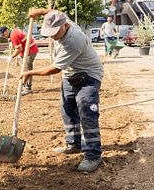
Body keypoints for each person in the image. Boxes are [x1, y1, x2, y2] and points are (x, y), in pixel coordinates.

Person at [20, 9, 104, 173]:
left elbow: (55, 68)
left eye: (55, 32)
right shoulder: (62, 20)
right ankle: (73, 143)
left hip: (89, 74)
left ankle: (93, 155)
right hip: (71, 74)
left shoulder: (74, 40)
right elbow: (53, 12)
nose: (52, 36)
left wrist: (30, 73)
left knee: (86, 110)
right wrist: (39, 11)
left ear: (65, 26)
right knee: (67, 109)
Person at [0, 25, 39, 95]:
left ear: (6, 30)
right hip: (29, 51)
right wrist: (11, 42)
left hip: (29, 52)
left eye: (4, 34)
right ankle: (26, 85)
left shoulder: (13, 36)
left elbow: (19, 49)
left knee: (27, 70)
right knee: (25, 69)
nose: (4, 37)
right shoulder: (14, 31)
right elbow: (20, 39)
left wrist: (11, 57)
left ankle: (27, 88)